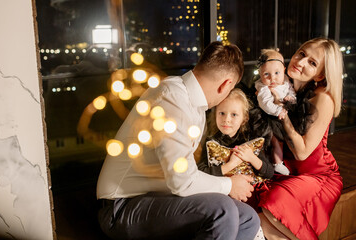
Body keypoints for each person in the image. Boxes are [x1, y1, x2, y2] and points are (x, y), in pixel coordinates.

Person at [96, 41, 261, 240]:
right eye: (231, 88)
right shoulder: (171, 99)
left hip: (158, 197)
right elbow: (181, 181)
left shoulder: (194, 106)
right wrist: (228, 185)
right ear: (226, 84)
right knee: (222, 209)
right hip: (121, 206)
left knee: (248, 217)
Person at [255, 37, 344, 240]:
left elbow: (302, 152)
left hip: (317, 175)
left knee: (274, 205)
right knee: (255, 218)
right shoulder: (286, 86)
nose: (300, 62)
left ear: (321, 74)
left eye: (312, 63)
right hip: (287, 168)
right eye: (302, 54)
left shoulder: (323, 98)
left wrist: (282, 112)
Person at [198, 88, 274, 183]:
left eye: (234, 114)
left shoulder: (249, 140)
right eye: (222, 113)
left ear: (244, 119)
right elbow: (201, 173)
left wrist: (252, 158)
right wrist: (231, 164)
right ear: (215, 115)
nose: (226, 119)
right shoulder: (212, 141)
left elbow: (270, 173)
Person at [254, 49, 296, 175]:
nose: (272, 78)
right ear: (260, 74)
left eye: (277, 73)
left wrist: (290, 99)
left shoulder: (286, 81)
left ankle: (285, 159)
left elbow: (291, 92)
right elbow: (265, 104)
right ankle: (277, 163)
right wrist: (279, 109)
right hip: (269, 118)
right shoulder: (263, 87)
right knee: (276, 141)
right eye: (266, 74)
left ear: (283, 70)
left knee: (286, 139)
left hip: (284, 115)